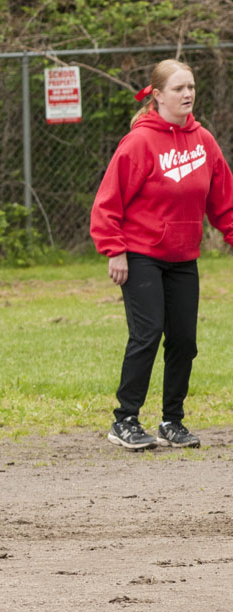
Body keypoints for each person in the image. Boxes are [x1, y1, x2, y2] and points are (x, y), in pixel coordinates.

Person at [91, 59, 233, 451]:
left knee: (185, 340)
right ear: (156, 96)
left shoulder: (203, 142)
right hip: (141, 254)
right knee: (148, 332)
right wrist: (114, 250)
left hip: (183, 256)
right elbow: (108, 202)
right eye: (178, 89)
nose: (187, 94)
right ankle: (125, 420)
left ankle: (172, 421)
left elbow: (224, 202)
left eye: (190, 87)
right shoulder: (139, 142)